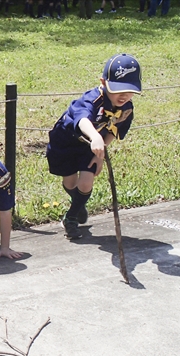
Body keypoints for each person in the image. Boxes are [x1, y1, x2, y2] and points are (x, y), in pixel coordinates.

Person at [46, 53, 141, 240]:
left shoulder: (126, 108)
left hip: (88, 147)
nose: (124, 96)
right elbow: (82, 120)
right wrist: (95, 136)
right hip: (65, 142)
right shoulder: (92, 99)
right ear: (103, 82)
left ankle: (71, 217)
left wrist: (100, 152)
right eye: (118, 89)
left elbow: (114, 130)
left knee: (87, 181)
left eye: (129, 91)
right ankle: (78, 203)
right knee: (70, 182)